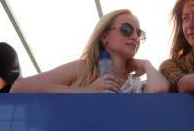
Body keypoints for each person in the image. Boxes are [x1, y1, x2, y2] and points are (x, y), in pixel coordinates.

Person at [11, 9, 168, 93]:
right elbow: (19, 88)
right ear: (104, 37)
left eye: (139, 33)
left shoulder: (134, 84)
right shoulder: (84, 69)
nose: (134, 36)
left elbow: (159, 90)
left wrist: (146, 64)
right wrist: (84, 92)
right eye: (126, 29)